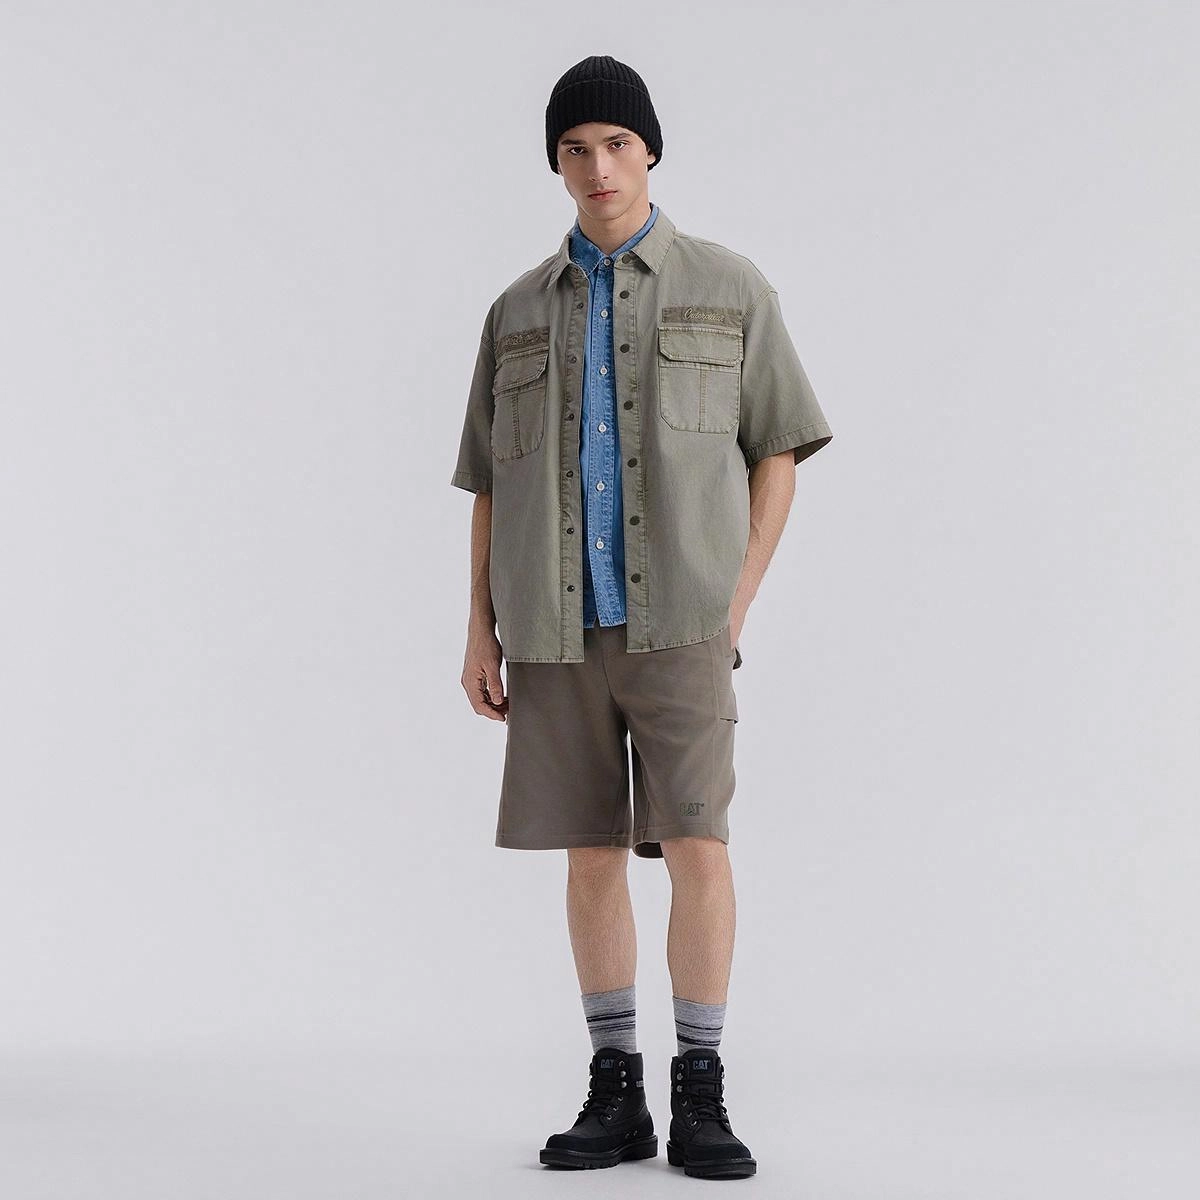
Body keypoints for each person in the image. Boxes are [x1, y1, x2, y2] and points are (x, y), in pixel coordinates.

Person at [450, 54, 833, 1179]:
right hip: (553, 625)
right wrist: (477, 630)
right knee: (591, 851)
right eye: (575, 149)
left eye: (617, 144)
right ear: (556, 164)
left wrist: (735, 601)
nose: (598, 167)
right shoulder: (517, 312)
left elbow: (778, 453)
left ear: (650, 150)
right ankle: (614, 1090)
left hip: (683, 624)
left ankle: (699, 1089)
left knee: (699, 846)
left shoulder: (729, 286)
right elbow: (488, 485)